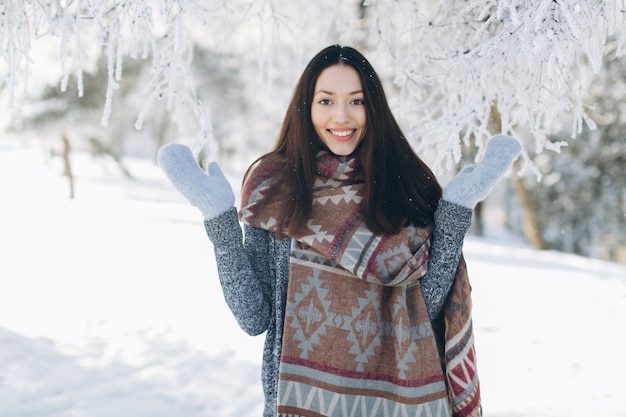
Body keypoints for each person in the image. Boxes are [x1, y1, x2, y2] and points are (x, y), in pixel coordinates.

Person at [158, 45, 522, 417]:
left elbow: (420, 313)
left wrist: (454, 214)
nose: (342, 116)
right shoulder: (275, 189)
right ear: (306, 107)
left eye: (356, 101)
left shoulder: (404, 191)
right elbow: (254, 316)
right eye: (326, 101)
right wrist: (219, 219)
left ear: (373, 108)